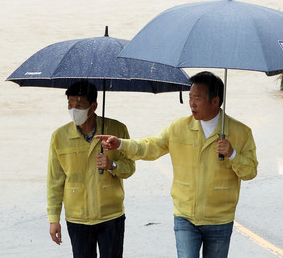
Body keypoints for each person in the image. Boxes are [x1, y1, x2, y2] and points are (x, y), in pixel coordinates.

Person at [96, 71, 257, 258]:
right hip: (185, 216)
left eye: (197, 98)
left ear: (215, 101)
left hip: (220, 218)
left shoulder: (241, 132)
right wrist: (121, 144)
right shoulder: (178, 128)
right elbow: (150, 147)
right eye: (190, 98)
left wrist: (232, 154)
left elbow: (250, 171)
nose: (192, 104)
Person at [47, 80, 135, 258]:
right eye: (70, 105)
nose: (74, 110)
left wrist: (112, 165)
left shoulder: (117, 130)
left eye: (79, 105)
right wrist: (53, 219)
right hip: (77, 217)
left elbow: (130, 167)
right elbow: (55, 181)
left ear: (94, 106)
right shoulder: (59, 137)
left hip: (111, 215)